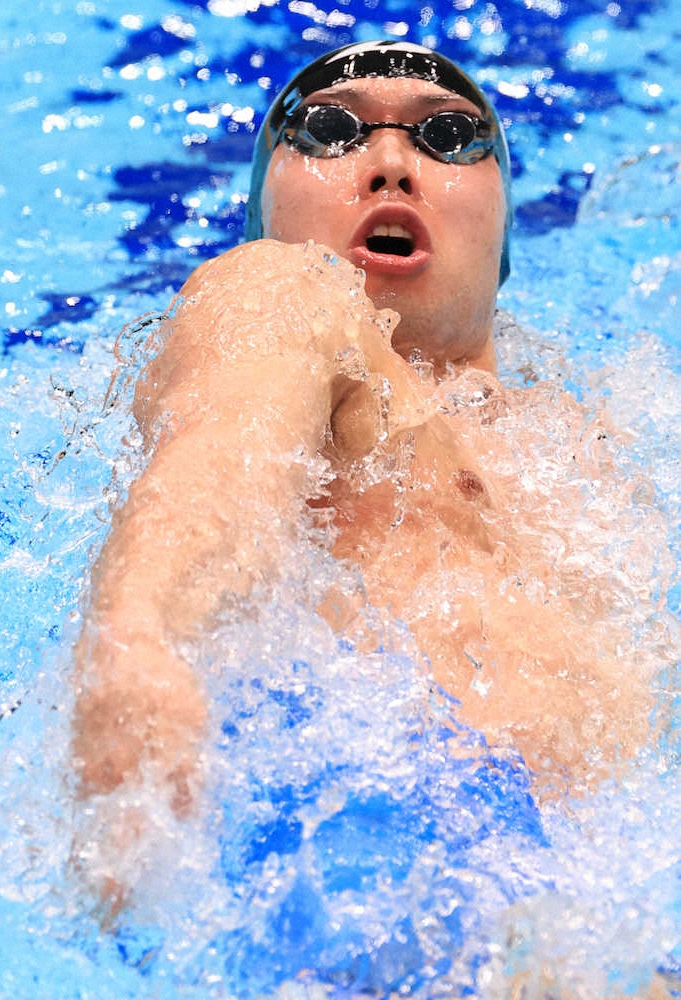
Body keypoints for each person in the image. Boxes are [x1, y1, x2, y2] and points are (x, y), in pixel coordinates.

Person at [71, 41, 660, 852]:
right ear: (261, 216)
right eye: (326, 128)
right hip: (377, 860)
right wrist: (139, 640)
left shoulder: (601, 439)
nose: (390, 162)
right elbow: (223, 455)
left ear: (506, 236)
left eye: (450, 135)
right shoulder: (286, 290)